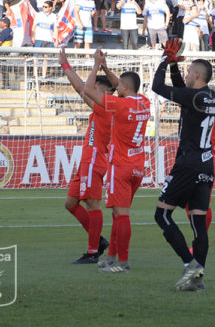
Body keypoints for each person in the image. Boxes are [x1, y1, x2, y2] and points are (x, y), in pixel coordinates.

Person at [152, 38, 215, 292]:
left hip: (188, 163)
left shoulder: (194, 96)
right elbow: (184, 93)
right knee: (198, 222)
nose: (185, 73)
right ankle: (198, 279)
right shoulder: (210, 96)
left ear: (196, 74)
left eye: (187, 70)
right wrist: (173, 67)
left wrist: (164, 60)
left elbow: (157, 87)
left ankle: (188, 263)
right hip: (206, 163)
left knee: (161, 214)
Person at [77, 48, 151, 273]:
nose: (116, 86)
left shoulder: (119, 105)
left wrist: (96, 66)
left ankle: (123, 262)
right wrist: (107, 68)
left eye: (119, 85)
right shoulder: (144, 102)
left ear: (125, 88)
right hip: (138, 166)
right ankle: (110, 257)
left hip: (120, 166)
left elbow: (88, 90)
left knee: (122, 215)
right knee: (119, 213)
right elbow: (122, 84)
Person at [58, 47, 111, 264]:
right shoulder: (100, 108)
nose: (92, 90)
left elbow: (81, 88)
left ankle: (92, 251)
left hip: (95, 161)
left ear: (105, 92)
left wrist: (66, 65)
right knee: (71, 203)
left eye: (96, 88)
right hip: (86, 162)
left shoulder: (107, 107)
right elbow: (84, 88)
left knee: (93, 205)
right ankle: (98, 240)